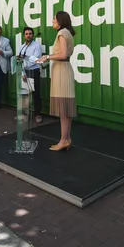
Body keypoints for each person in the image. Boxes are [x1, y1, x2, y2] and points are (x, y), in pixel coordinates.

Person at [36, 11, 77, 152]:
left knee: (63, 109)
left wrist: (46, 57)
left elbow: (63, 54)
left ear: (60, 21)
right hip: (64, 69)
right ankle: (66, 138)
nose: (53, 20)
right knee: (65, 108)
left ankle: (63, 140)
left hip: (62, 71)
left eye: (54, 18)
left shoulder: (62, 33)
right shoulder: (67, 33)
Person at [17, 27, 44, 124]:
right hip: (25, 73)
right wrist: (23, 73)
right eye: (26, 34)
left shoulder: (36, 46)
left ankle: (38, 114)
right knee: (24, 94)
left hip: (34, 71)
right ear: (24, 36)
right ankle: (24, 114)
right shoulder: (22, 47)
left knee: (36, 94)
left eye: (30, 33)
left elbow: (35, 59)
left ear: (33, 35)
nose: (28, 35)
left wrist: (25, 62)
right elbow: (19, 60)